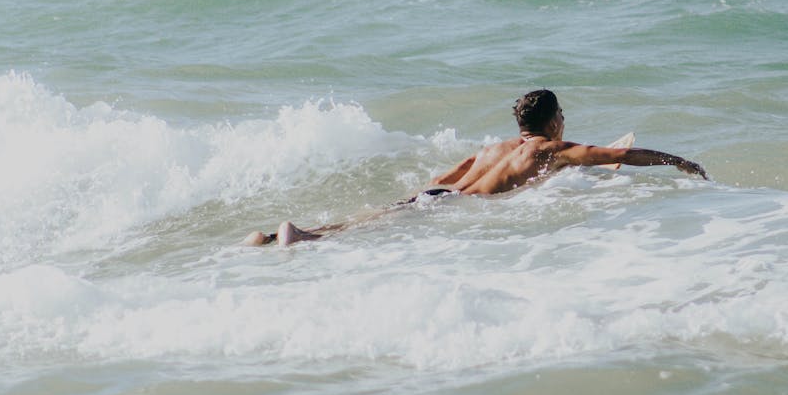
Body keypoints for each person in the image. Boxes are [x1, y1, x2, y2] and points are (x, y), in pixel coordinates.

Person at [244, 89, 708, 246]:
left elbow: (441, 181)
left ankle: (272, 238)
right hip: (449, 209)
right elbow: (620, 155)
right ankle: (299, 237)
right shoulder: (549, 149)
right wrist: (677, 161)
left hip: (433, 199)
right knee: (358, 234)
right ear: (553, 120)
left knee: (360, 225)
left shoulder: (493, 148)